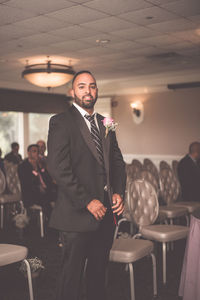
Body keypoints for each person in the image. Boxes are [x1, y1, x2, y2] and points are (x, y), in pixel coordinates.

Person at [47, 70, 126, 300]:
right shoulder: (60, 121)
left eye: (92, 86)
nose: (88, 91)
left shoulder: (108, 122)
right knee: (70, 279)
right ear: (73, 92)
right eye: (81, 86)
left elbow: (118, 161)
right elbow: (58, 168)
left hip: (106, 216)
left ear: (97, 91)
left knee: (98, 274)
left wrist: (119, 191)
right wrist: (87, 201)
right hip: (76, 216)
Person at [18, 144, 55, 218]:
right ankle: (51, 224)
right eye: (34, 151)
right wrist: (35, 169)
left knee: (61, 195)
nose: (37, 154)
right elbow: (27, 184)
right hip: (31, 194)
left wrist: (42, 168)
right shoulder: (23, 166)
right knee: (46, 201)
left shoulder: (40, 164)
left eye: (38, 152)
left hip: (44, 192)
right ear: (28, 153)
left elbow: (48, 181)